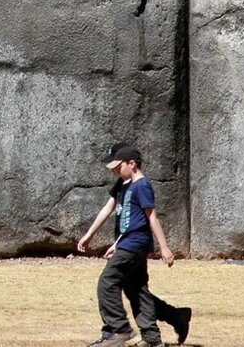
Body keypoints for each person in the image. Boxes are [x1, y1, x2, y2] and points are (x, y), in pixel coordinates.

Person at [77, 144, 192, 347]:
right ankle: (160, 331)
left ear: (132, 163)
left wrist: (164, 247)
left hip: (136, 243)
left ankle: (117, 330)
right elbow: (112, 210)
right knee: (136, 290)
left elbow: (151, 218)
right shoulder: (123, 184)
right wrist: (91, 235)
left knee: (107, 281)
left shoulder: (142, 186)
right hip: (128, 242)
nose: (114, 171)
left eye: (117, 166)